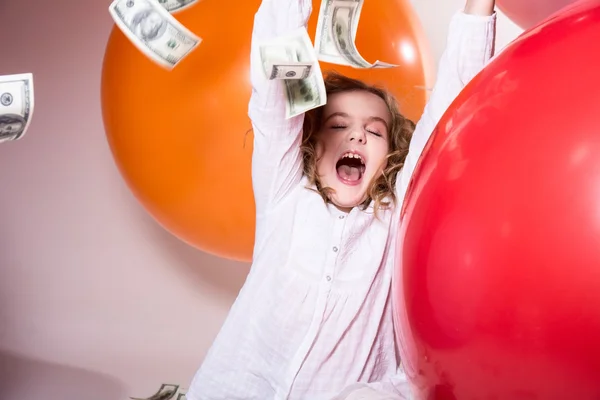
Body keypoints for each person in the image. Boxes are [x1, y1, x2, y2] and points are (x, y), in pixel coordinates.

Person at [187, 0, 496, 399]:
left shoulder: (394, 217)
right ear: (312, 144)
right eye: (338, 125)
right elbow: (276, 78)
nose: (357, 136)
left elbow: (451, 103)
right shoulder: (285, 193)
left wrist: (481, 5)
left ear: (392, 155)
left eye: (375, 130)